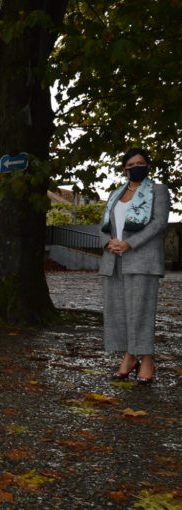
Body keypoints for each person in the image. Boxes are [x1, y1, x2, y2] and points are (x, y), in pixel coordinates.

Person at [99, 148, 170, 385]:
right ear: (124, 169)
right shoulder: (115, 194)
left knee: (140, 312)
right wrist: (108, 243)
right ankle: (129, 357)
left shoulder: (158, 190)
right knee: (119, 312)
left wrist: (130, 243)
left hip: (142, 259)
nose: (135, 167)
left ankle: (147, 360)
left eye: (140, 163)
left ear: (148, 166)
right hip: (114, 259)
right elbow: (105, 225)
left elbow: (159, 223)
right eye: (130, 165)